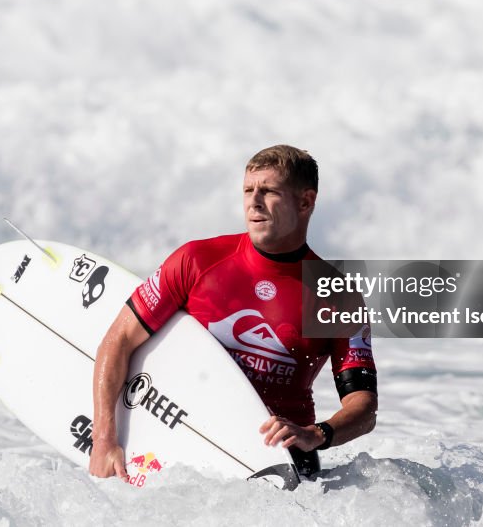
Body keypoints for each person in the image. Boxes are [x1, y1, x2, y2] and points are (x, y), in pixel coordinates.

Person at [89, 145, 378, 480]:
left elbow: (363, 407)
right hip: (180, 444)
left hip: (280, 468)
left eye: (268, 191)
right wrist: (105, 438)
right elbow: (118, 340)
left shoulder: (337, 296)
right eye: (247, 190)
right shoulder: (197, 261)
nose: (253, 201)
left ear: (305, 202)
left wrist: (316, 434)